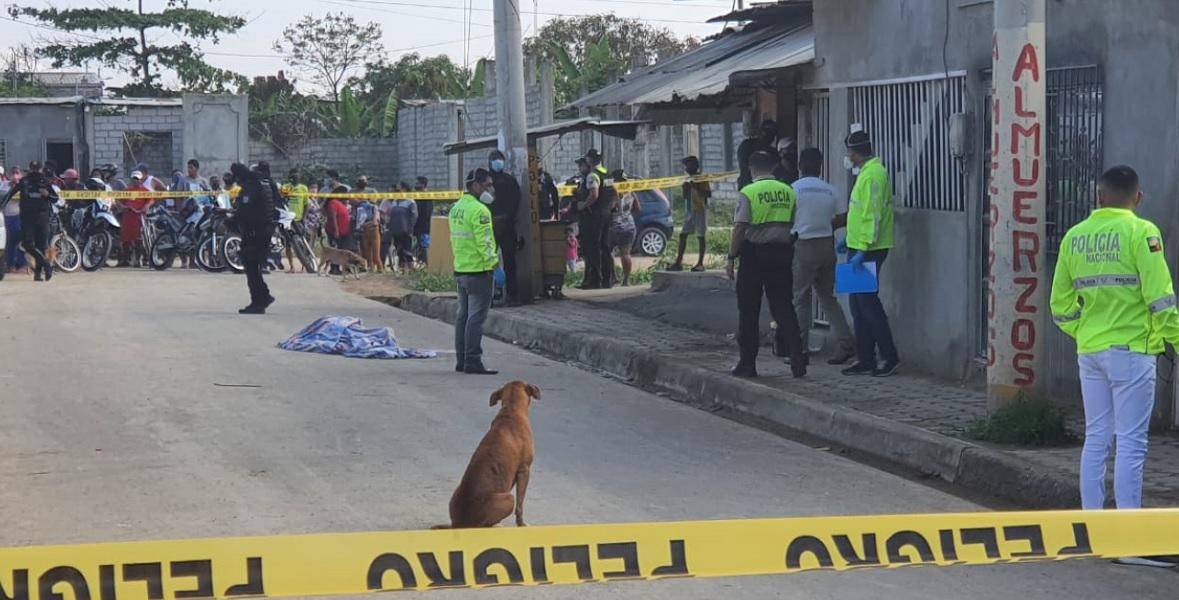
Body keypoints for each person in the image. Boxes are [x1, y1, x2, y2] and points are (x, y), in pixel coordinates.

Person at [1051, 168, 1178, 561]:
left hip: (1090, 352)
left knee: (1097, 438)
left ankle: (1092, 532)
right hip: (1132, 352)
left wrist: (1086, 331)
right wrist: (1172, 340)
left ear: (1098, 196)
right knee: (1132, 444)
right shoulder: (1143, 233)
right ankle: (1128, 541)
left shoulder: (1075, 237)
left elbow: (1059, 306)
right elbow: (1162, 298)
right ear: (1138, 197)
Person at [725, 150, 806, 379]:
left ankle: (747, 364)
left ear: (751, 169)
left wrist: (731, 257)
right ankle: (797, 358)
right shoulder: (788, 190)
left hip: (753, 254)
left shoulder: (748, 192)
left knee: (749, 310)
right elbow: (793, 222)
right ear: (772, 168)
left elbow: (740, 227)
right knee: (783, 307)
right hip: (782, 253)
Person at [840, 130, 900, 377]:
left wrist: (862, 248)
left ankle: (889, 356)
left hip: (870, 248)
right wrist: (849, 240)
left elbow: (873, 216)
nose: (848, 157)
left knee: (867, 303)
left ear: (854, 153)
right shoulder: (866, 173)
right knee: (856, 304)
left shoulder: (874, 174)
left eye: (849, 152)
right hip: (858, 246)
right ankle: (865, 358)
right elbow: (860, 213)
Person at [792, 148, 856, 366]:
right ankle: (846, 343)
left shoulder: (794, 189)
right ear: (820, 166)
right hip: (827, 245)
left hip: (803, 244)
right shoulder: (830, 190)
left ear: (800, 165)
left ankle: (799, 349)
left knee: (801, 298)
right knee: (828, 298)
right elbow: (844, 217)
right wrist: (828, 225)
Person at [451, 168, 500, 375]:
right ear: (476, 186)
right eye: (487, 185)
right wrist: (495, 265)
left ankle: (461, 360)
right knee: (476, 318)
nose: (490, 189)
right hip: (479, 270)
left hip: (461, 268)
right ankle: (472, 360)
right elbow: (485, 242)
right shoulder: (480, 211)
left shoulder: (456, 208)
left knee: (463, 316)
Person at [232, 163, 277, 314]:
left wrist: (231, 221)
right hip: (265, 229)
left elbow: (245, 211)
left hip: (255, 232)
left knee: (251, 266)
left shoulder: (250, 187)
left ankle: (258, 301)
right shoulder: (263, 182)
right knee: (255, 266)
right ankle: (264, 295)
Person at [0, 161, 57, 281]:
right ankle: (47, 265)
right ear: (30, 169)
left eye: (37, 169)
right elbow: (11, 194)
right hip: (27, 218)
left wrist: (47, 195)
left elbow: (56, 198)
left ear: (41, 170)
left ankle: (38, 273)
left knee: (41, 246)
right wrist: (1, 206)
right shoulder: (24, 181)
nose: (35, 171)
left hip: (42, 217)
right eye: (33, 169)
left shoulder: (45, 182)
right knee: (27, 244)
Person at [576, 149, 616, 289]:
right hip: (606, 215)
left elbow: (594, 195)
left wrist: (583, 205)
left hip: (594, 216)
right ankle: (607, 279)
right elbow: (614, 194)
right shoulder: (608, 173)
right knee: (605, 248)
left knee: (593, 248)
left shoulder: (592, 175)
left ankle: (595, 280)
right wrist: (609, 209)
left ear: (589, 160)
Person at [488, 150, 522, 304]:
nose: (497, 162)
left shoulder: (509, 180)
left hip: (507, 225)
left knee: (510, 262)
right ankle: (491, 293)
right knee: (488, 261)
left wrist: (507, 217)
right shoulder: (486, 182)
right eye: (494, 159)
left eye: (499, 159)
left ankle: (512, 295)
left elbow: (517, 201)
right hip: (490, 226)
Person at [669, 155, 710, 272]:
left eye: (688, 165)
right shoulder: (688, 179)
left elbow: (708, 194)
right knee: (683, 235)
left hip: (701, 209)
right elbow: (684, 196)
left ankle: (700, 263)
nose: (686, 168)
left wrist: (695, 186)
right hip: (690, 210)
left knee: (701, 236)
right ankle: (678, 262)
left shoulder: (702, 178)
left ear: (695, 166)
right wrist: (685, 187)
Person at [608, 169, 641, 286]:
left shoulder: (613, 192)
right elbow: (638, 209)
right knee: (626, 254)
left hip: (614, 226)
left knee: (608, 252)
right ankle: (626, 280)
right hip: (629, 226)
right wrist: (627, 213)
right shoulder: (631, 192)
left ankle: (614, 277)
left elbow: (611, 207)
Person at [119, 171, 153, 268]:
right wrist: (122, 207)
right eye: (133, 179)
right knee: (126, 239)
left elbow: (151, 200)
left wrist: (146, 207)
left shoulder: (145, 191)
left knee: (139, 240)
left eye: (137, 179)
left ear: (141, 180)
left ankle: (139, 259)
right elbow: (118, 201)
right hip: (128, 217)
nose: (135, 181)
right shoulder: (127, 190)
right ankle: (127, 259)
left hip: (139, 217)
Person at [384, 183, 418, 271]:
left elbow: (414, 217)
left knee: (407, 250)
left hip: (406, 231)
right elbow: (390, 215)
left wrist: (410, 229)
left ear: (405, 190)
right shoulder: (395, 202)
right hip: (395, 230)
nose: (397, 191)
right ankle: (402, 269)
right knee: (398, 250)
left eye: (400, 189)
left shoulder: (410, 202)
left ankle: (411, 269)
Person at [282, 169, 311, 272]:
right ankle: (292, 267)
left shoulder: (303, 188)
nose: (295, 176)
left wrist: (304, 218)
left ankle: (305, 263)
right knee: (288, 244)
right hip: (287, 220)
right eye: (293, 175)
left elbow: (306, 204)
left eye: (297, 174)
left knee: (304, 240)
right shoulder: (286, 187)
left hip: (299, 219)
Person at [737, 120, 779, 189]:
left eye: (772, 134)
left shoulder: (772, 151)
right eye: (766, 132)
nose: (769, 136)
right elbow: (743, 166)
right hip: (749, 182)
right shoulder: (747, 145)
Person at [1, 171, 28, 275]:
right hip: (6, 217)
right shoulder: (3, 185)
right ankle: (11, 266)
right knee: (8, 243)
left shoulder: (23, 187)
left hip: (17, 217)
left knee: (18, 242)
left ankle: (23, 265)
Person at [412, 176, 432, 265]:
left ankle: (427, 264)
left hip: (423, 225)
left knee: (424, 245)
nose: (416, 185)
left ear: (423, 185)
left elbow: (427, 212)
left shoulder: (426, 195)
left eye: (417, 183)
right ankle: (421, 260)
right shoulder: (417, 195)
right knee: (420, 244)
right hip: (417, 225)